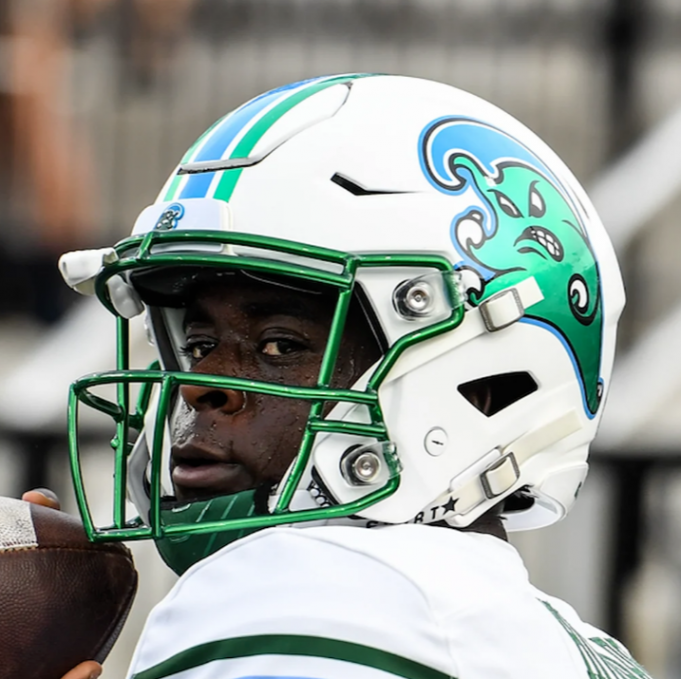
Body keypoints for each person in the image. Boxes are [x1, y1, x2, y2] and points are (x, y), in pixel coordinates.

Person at [50, 74, 649, 678]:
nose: (201, 384)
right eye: (199, 343)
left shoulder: (306, 599)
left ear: (483, 387)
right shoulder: (575, 648)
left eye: (280, 344)